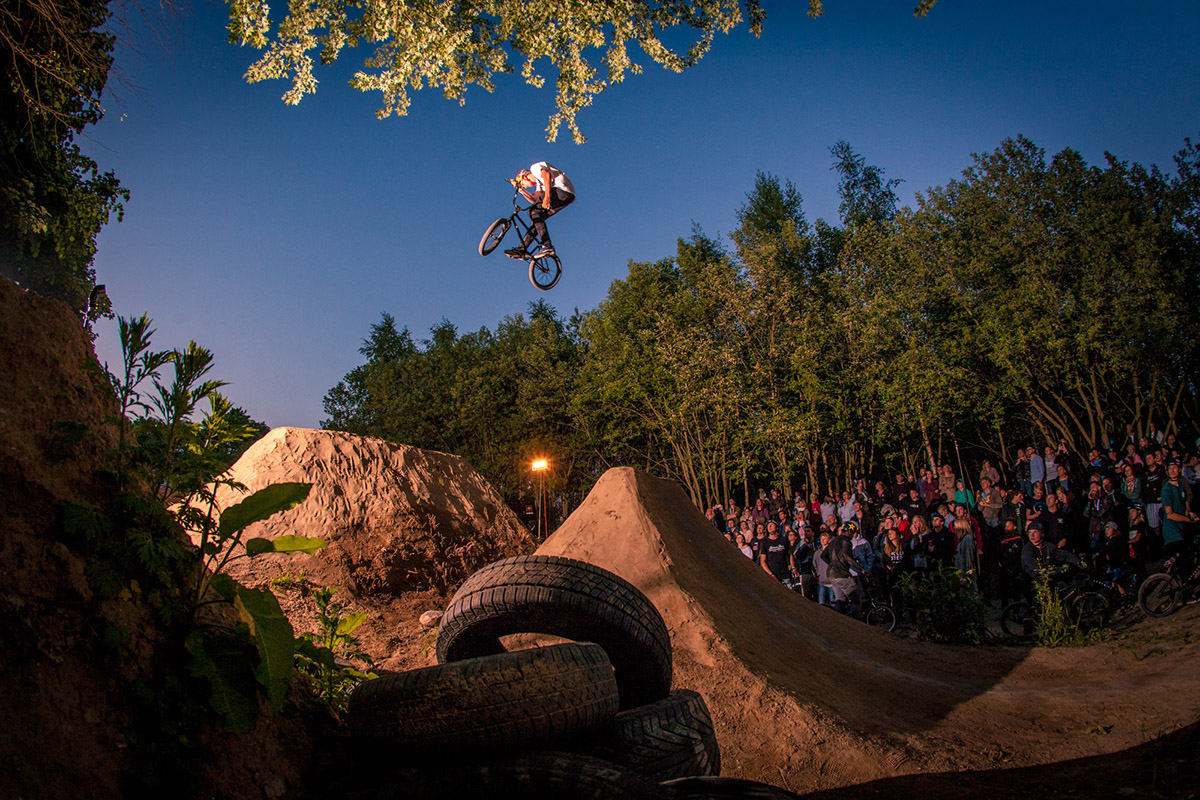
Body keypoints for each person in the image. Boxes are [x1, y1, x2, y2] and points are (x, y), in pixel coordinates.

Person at [505, 162, 575, 258]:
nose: (524, 186)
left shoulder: (534, 168)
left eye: (522, 184)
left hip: (562, 189)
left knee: (534, 212)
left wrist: (547, 197)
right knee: (537, 219)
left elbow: (547, 174)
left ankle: (547, 246)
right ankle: (522, 249)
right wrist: (521, 189)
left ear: (523, 177)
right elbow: (534, 199)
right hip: (566, 197)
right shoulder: (539, 183)